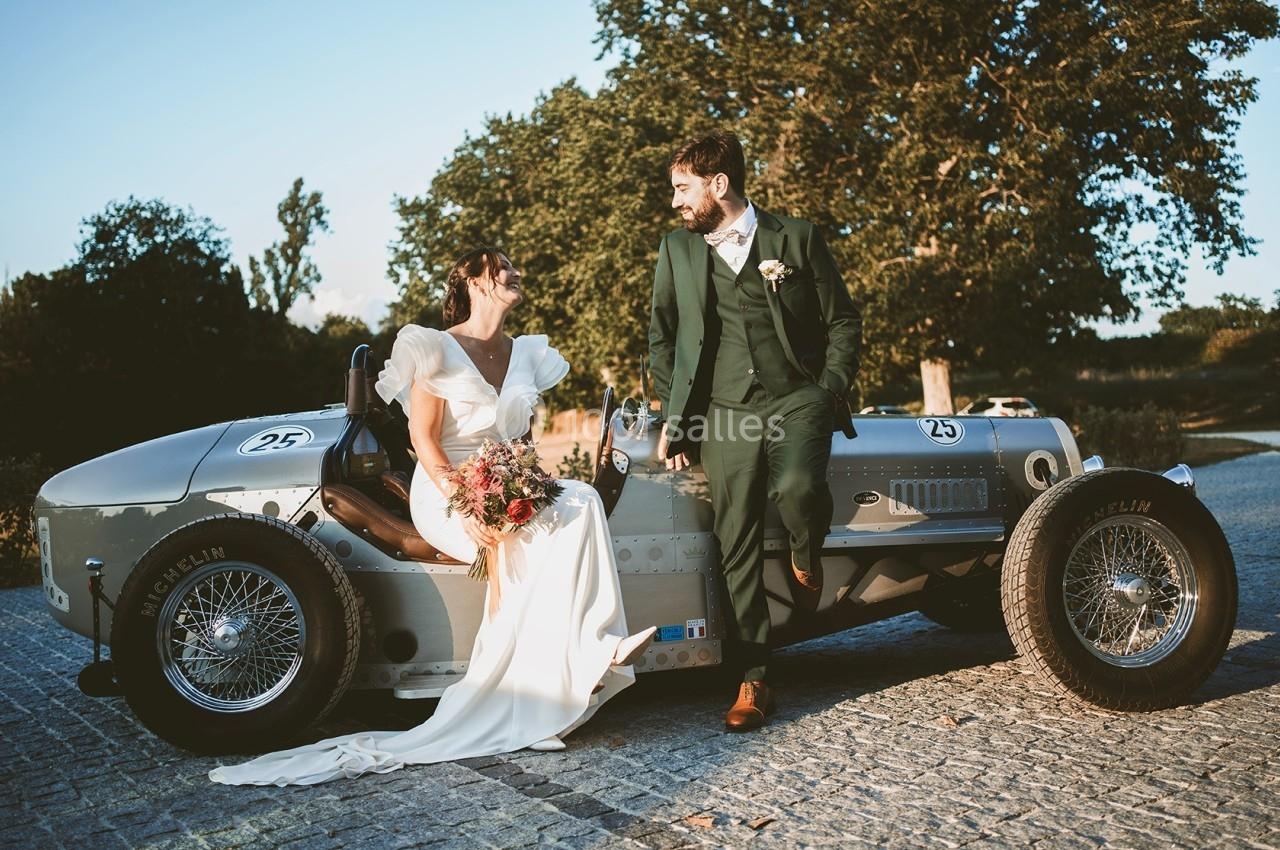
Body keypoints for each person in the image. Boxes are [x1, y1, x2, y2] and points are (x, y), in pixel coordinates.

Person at [210, 247, 656, 786]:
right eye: (502, 265)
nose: (516, 271)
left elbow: (522, 443)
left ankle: (576, 663)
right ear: (471, 280)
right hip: (445, 485)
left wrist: (527, 485)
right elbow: (424, 440)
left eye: (516, 265)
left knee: (580, 499)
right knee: (521, 538)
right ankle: (545, 683)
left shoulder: (526, 353)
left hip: (506, 475)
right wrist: (467, 501)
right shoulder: (435, 349)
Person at [648, 130, 861, 732]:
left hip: (796, 397)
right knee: (733, 537)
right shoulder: (677, 251)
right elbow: (662, 340)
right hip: (723, 411)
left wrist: (830, 386)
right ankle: (755, 676)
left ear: (720, 185)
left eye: (683, 189)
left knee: (797, 487)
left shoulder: (795, 237)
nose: (675, 202)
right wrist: (679, 416)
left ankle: (803, 547)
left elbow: (842, 318)